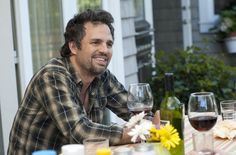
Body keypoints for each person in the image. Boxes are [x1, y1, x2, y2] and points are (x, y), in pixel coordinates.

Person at [7, 9, 159, 155]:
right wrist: (136, 132)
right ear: (73, 46)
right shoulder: (52, 76)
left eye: (109, 44)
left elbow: (135, 112)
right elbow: (80, 132)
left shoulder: (102, 77)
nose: (105, 50)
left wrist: (152, 124)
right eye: (96, 42)